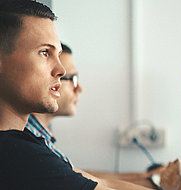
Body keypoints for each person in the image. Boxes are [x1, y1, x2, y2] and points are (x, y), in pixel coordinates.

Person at [0, 0, 152, 189]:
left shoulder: (26, 145)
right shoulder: (18, 155)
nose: (61, 70)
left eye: (58, 54)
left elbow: (98, 182)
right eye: (44, 52)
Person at [26, 42, 162, 188]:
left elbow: (75, 174)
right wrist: (156, 182)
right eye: (71, 78)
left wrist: (145, 177)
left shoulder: (40, 133)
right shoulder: (27, 141)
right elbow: (89, 183)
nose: (79, 88)